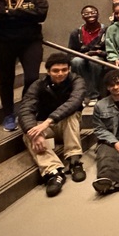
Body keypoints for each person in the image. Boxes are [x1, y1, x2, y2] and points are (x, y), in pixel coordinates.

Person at [0, 0, 48, 131]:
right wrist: (27, 14)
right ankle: (8, 114)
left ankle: (24, 110)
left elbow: (41, 15)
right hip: (2, 42)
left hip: (30, 42)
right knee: (6, 79)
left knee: (32, 78)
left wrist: (10, 12)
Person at [16, 52, 87, 197]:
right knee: (29, 133)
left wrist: (49, 120)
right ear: (48, 71)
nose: (60, 73)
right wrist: (34, 132)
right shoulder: (38, 85)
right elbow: (25, 109)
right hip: (48, 129)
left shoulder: (77, 81)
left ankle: (74, 160)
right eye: (56, 70)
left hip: (68, 127)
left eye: (64, 70)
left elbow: (74, 102)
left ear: (69, 69)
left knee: (71, 115)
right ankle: (53, 171)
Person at [67, 4, 106, 101]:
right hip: (81, 57)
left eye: (93, 12)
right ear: (82, 16)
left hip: (99, 57)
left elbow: (108, 50)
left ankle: (93, 95)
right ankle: (82, 93)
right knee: (76, 61)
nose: (90, 15)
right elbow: (71, 51)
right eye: (86, 13)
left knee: (94, 61)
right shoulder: (76, 32)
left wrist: (98, 53)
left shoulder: (106, 31)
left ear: (98, 14)